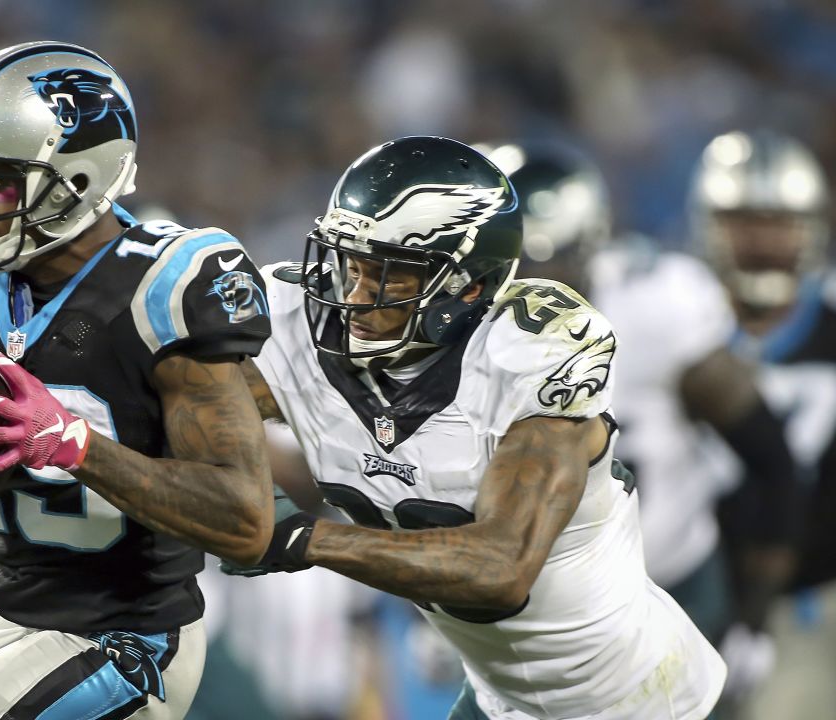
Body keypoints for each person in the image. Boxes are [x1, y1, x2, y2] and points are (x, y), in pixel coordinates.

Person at [0, 41, 274, 720]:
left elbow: (245, 519)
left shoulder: (166, 287)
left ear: (81, 180)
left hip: (133, 640)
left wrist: (76, 445)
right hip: (11, 624)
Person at [226, 135, 726, 719]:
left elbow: (499, 569)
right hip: (500, 700)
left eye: (390, 276)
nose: (355, 295)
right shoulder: (306, 336)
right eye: (350, 265)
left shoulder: (528, 358)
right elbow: (180, 401)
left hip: (642, 702)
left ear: (466, 285)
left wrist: (303, 539)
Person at [486, 140, 800, 710]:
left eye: (548, 262)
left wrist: (753, 617)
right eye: (512, 265)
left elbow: (772, 459)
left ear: (590, 247)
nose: (532, 287)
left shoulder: (657, 307)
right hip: (548, 614)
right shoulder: (471, 333)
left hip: (673, 591)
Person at [687, 129, 836, 720]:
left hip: (808, 598)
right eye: (744, 220)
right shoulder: (677, 324)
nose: (764, 240)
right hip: (682, 596)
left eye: (781, 221)